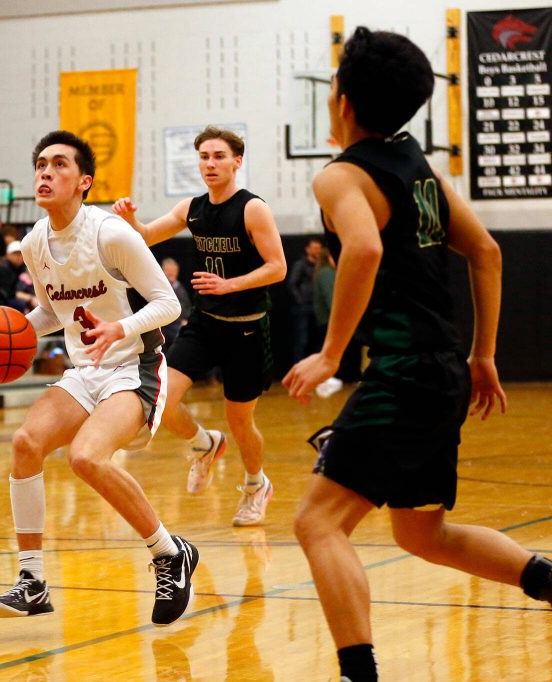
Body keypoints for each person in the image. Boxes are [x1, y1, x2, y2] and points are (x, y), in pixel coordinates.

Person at [281, 27, 552, 682]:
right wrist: (482, 355)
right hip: (443, 371)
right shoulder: (416, 163)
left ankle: (359, 674)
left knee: (317, 523)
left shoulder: (342, 175)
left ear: (341, 101)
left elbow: (366, 251)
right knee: (420, 534)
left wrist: (329, 354)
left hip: (402, 373)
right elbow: (486, 252)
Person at [0, 130, 195, 628]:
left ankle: (170, 553)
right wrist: (7, 332)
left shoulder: (111, 233)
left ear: (84, 182)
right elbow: (52, 312)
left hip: (134, 366)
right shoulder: (35, 242)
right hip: (85, 368)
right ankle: (32, 581)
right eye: (40, 164)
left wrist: (119, 328)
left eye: (59, 165)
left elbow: (170, 304)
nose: (45, 172)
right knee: (25, 444)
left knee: (85, 456)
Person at [112, 125, 286, 526]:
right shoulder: (191, 207)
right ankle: (204, 444)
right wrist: (131, 219)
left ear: (237, 161)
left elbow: (278, 267)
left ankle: (256, 485)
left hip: (246, 327)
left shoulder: (252, 208)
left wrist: (230, 284)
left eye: (219, 156)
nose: (210, 163)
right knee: (160, 402)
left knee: (242, 422)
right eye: (205, 157)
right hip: (206, 324)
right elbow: (148, 237)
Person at [311, 246, 342, 398]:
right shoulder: (326, 273)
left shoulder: (323, 272)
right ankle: (324, 378)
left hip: (324, 318)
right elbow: (331, 298)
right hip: (328, 318)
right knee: (326, 349)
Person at [288, 236, 322, 363]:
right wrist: (300, 300)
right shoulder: (300, 264)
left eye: (319, 248)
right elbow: (292, 284)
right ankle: (296, 370)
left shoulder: (321, 265)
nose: (317, 251)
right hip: (303, 308)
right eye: (314, 248)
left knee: (318, 340)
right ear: (307, 249)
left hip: (318, 307)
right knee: (302, 340)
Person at [159, 257, 191, 350]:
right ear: (162, 271)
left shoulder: (181, 289)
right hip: (161, 325)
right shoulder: (159, 288)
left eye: (173, 271)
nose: (171, 273)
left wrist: (185, 320)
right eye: (168, 270)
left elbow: (187, 307)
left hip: (176, 325)